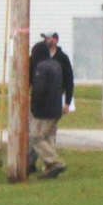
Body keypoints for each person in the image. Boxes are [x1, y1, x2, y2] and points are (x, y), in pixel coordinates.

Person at [28, 41, 67, 180]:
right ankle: (49, 168)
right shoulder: (56, 65)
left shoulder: (41, 67)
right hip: (56, 108)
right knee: (48, 138)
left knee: (36, 137)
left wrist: (33, 106)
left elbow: (38, 89)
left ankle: (55, 162)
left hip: (44, 110)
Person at [41, 31, 75, 114]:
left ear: (55, 40)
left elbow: (69, 80)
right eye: (45, 38)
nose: (46, 40)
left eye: (48, 38)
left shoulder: (63, 58)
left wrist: (67, 103)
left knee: (50, 122)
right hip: (41, 97)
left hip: (57, 97)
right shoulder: (40, 56)